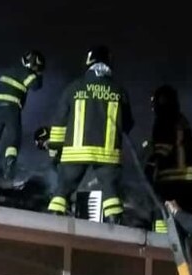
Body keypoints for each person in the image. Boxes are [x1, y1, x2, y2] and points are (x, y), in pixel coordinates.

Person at [45, 45, 134, 224]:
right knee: (110, 190)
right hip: (108, 154)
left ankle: (54, 218)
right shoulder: (118, 91)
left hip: (75, 152)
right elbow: (128, 124)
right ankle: (115, 222)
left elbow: (60, 122)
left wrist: (55, 150)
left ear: (89, 62)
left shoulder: (74, 88)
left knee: (64, 186)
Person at [145, 85, 192, 233]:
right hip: (190, 181)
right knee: (186, 218)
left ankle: (162, 242)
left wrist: (149, 165)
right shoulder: (181, 119)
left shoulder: (164, 118)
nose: (153, 107)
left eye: (154, 101)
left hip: (173, 179)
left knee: (165, 215)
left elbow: (163, 148)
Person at [0, 50, 45, 179]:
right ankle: (9, 170)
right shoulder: (26, 73)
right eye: (37, 67)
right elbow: (36, 86)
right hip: (11, 108)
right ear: (33, 64)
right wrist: (39, 75)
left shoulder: (9, 71)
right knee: (14, 138)